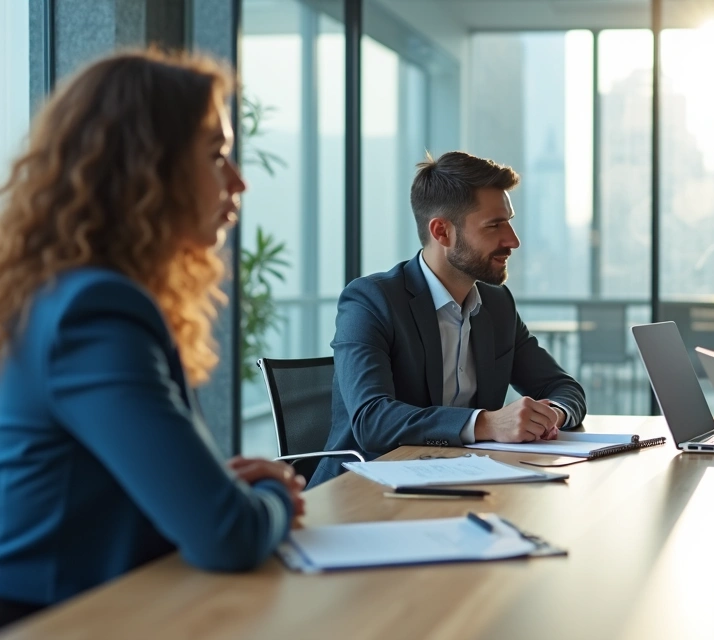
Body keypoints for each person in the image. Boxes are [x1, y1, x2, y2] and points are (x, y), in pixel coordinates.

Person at [0, 50, 303, 628]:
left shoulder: (64, 294)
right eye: (216, 155)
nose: (237, 181)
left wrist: (212, 487)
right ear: (148, 168)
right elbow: (227, 537)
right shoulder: (94, 311)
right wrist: (276, 502)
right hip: (53, 620)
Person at [315, 151, 587, 487]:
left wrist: (550, 415)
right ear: (442, 232)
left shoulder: (497, 304)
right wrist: (485, 424)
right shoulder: (371, 301)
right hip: (361, 492)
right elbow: (373, 421)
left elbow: (564, 388)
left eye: (510, 221)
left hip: (464, 484)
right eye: (494, 225)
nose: (513, 241)